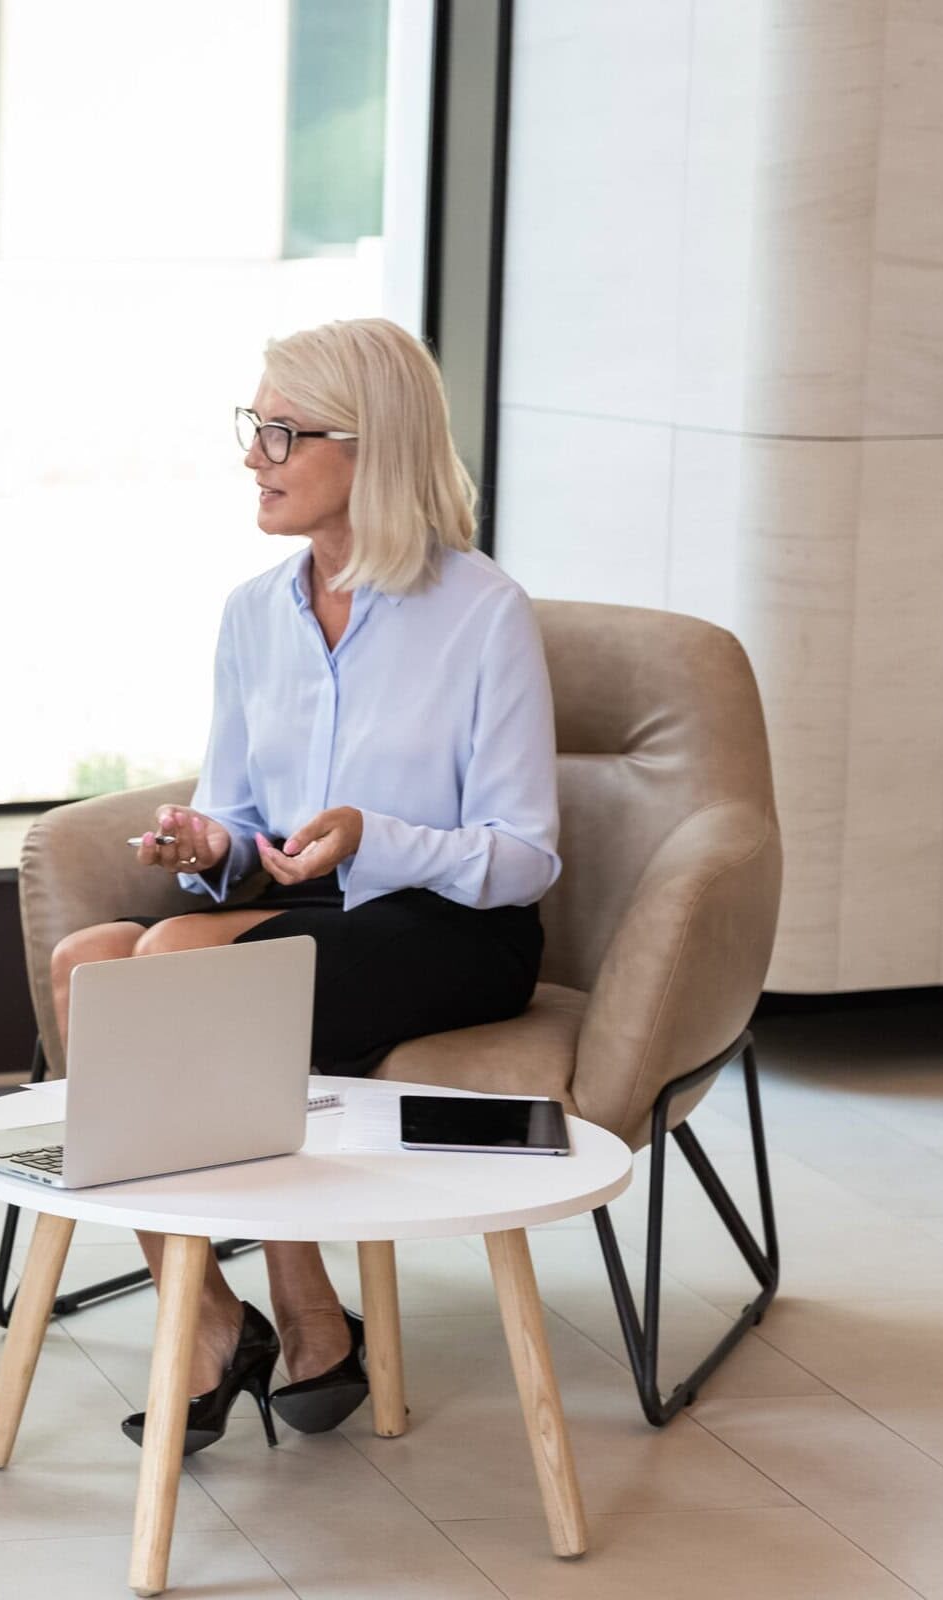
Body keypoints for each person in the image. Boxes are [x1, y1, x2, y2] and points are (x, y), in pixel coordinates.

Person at [49, 317, 560, 1451]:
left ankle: (279, 1309)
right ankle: (241, 1313)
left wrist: (368, 834)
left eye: (281, 433)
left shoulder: (481, 610)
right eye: (255, 427)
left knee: (172, 968)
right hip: (308, 909)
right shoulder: (250, 613)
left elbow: (524, 854)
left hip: (454, 924)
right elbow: (238, 814)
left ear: (368, 447)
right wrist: (206, 847)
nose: (253, 457)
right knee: (85, 965)